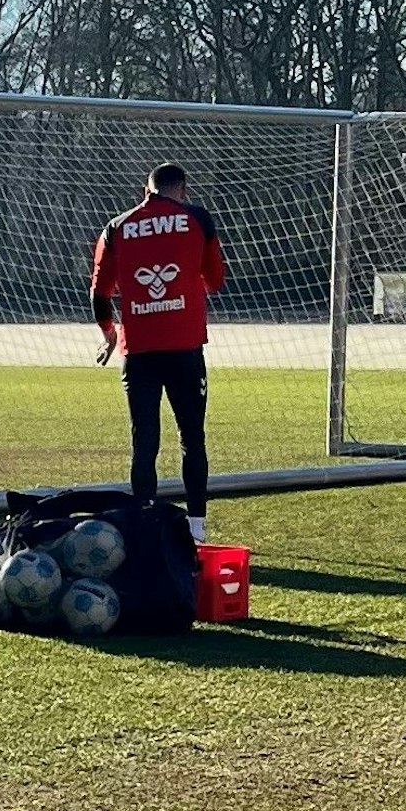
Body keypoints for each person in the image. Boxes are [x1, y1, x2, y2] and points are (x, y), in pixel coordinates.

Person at [90, 162, 227, 541]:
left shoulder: (117, 227)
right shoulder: (197, 217)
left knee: (144, 441)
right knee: (192, 438)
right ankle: (196, 528)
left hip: (139, 352)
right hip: (184, 348)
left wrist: (108, 334)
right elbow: (215, 280)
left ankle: (144, 526)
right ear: (183, 189)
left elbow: (99, 293)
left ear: (145, 189)